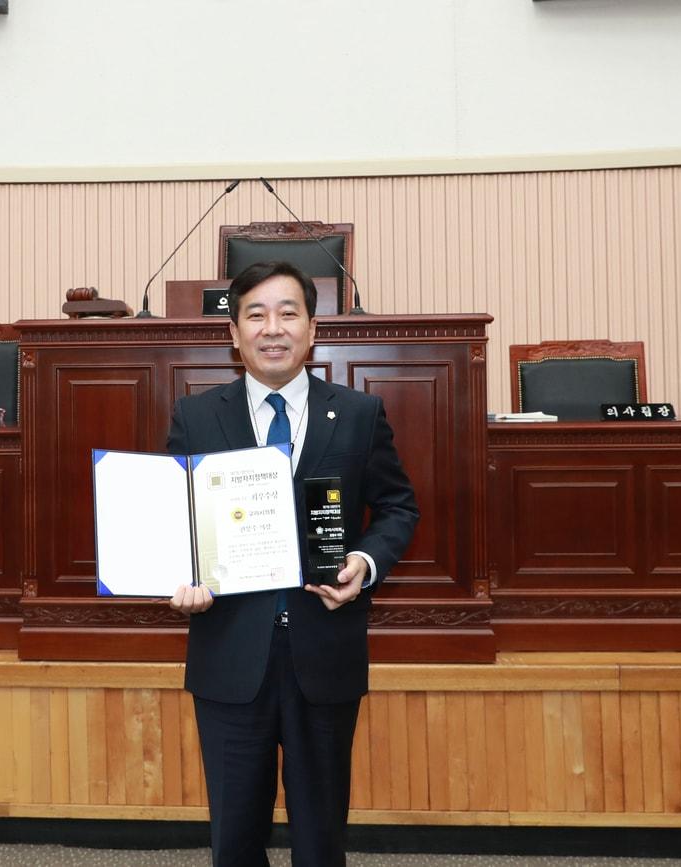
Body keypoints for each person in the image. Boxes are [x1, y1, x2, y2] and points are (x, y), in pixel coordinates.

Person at [167, 260, 419, 867]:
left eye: (288, 313)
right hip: (230, 651)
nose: (272, 328)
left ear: (311, 329)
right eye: (255, 314)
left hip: (323, 649)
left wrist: (364, 560)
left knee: (321, 835)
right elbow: (178, 521)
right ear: (233, 333)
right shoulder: (197, 416)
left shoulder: (358, 413)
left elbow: (396, 507)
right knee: (234, 836)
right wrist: (180, 578)